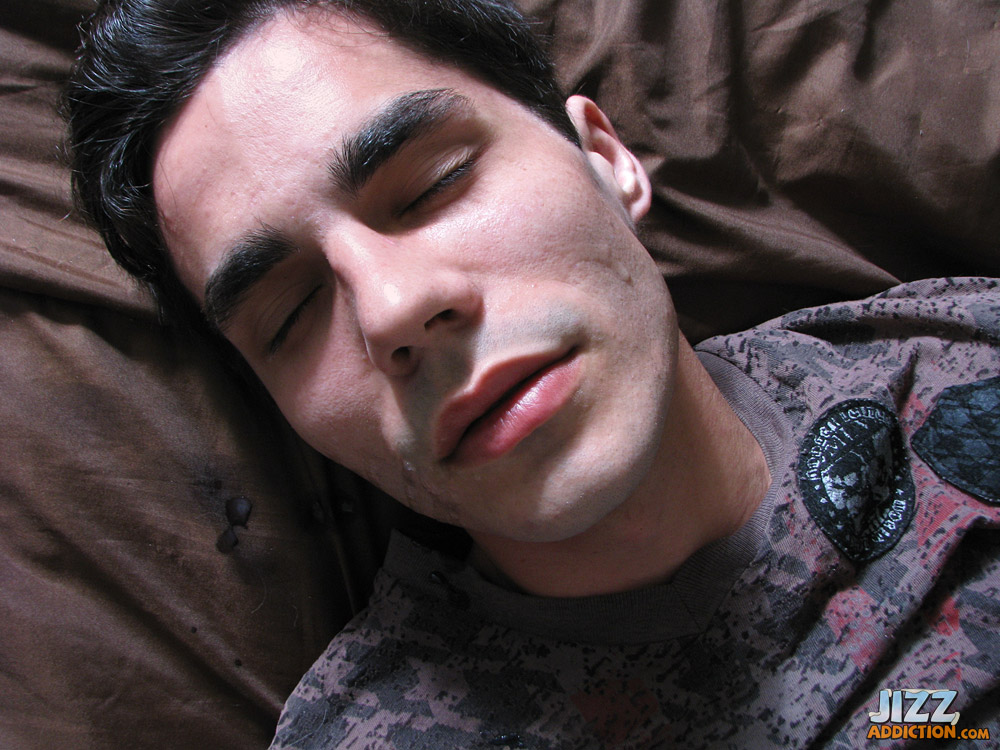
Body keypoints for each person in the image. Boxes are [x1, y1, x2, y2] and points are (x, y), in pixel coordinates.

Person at [65, 0, 999, 747]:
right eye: (290, 313)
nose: (392, 310)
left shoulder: (966, 349)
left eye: (434, 182)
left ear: (605, 160)